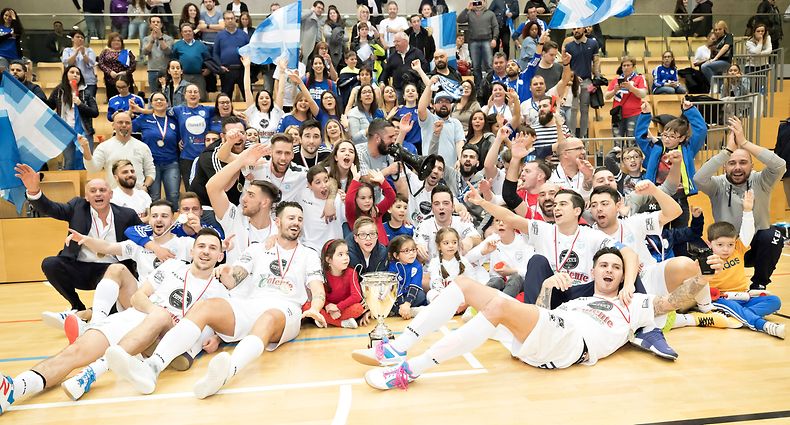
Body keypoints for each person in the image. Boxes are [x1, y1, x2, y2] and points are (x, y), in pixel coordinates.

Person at [353, 248, 721, 390]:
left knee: (497, 307)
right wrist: (546, 285)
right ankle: (397, 348)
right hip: (544, 336)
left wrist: (704, 278)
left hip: (572, 346)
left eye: (616, 267)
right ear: (593, 271)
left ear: (624, 274)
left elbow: (677, 298)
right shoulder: (580, 296)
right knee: (464, 284)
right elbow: (540, 312)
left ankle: (409, 369)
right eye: (603, 265)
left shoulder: (634, 302)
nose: (609, 270)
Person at [106, 202, 326, 399]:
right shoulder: (257, 248)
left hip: (286, 308)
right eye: (291, 218)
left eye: (299, 219)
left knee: (267, 318)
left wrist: (315, 308)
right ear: (277, 222)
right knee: (205, 307)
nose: (296, 222)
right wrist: (226, 271)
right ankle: (152, 368)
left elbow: (317, 288)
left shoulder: (308, 254)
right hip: (249, 304)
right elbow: (233, 279)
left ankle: (227, 372)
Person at [0, 229, 229, 411]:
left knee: (159, 315)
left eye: (212, 248)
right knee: (75, 351)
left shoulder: (221, 291)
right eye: (201, 246)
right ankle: (15, 389)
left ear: (220, 256)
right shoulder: (172, 266)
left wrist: (216, 339)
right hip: (136, 317)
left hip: (167, 341)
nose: (205, 252)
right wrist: (152, 311)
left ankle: (93, 372)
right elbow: (138, 296)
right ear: (192, 251)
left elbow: (215, 330)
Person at [14, 164, 143, 324]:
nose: (98, 194)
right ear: (86, 197)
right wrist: (34, 191)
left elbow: (143, 238)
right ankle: (77, 307)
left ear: (111, 194)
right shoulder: (77, 207)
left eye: (102, 190)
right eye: (93, 191)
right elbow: (51, 208)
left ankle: (87, 315)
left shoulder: (127, 215)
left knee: (123, 309)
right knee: (50, 264)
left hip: (111, 270)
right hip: (80, 268)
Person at [61, 200, 197, 342]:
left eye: (164, 216)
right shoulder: (140, 244)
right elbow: (107, 247)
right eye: (155, 215)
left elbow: (214, 253)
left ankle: (95, 323)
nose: (159, 219)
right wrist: (85, 239)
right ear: (149, 219)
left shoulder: (186, 243)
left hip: (169, 307)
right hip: (139, 300)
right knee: (116, 269)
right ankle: (96, 323)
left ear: (173, 219)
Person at [694, 117, 787, 290]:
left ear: (751, 166)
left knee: (773, 235)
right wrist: (728, 150)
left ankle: (759, 284)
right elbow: (698, 179)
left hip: (755, 246)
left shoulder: (762, 180)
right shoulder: (717, 185)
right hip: (727, 248)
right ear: (724, 167)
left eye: (743, 162)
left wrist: (744, 142)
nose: (737, 167)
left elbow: (780, 165)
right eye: (732, 163)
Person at [705, 195, 785, 339]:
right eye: (720, 245)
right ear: (710, 244)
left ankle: (737, 317)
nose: (726, 249)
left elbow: (747, 232)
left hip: (743, 296)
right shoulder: (708, 260)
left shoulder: (738, 250)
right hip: (721, 299)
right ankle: (762, 325)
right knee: (732, 306)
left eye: (730, 244)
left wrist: (747, 210)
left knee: (774, 301)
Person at [635, 99, 707, 225]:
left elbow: (701, 131)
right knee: (658, 230)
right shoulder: (656, 149)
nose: (667, 139)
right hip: (658, 195)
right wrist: (645, 115)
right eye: (664, 135)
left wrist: (690, 111)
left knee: (680, 230)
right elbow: (640, 137)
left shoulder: (688, 149)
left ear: (682, 138)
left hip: (679, 197)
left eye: (672, 137)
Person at [82, 112, 156, 191]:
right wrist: (86, 148)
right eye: (120, 122)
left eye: (127, 123)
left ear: (131, 125)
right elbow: (92, 169)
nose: (124, 125)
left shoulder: (142, 147)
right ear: (113, 125)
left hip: (138, 195)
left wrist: (145, 186)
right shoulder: (104, 147)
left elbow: (151, 171)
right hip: (114, 197)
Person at [46, 65, 99, 170]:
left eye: (78, 73)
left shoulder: (86, 93)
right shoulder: (59, 91)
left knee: (87, 162)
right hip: (66, 132)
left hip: (84, 132)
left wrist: (80, 104)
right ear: (66, 75)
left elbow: (95, 112)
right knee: (69, 162)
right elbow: (48, 106)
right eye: (72, 72)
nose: (75, 75)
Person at [466, 218, 533, 297]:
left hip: (521, 283)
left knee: (515, 278)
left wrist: (511, 271)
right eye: (497, 220)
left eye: (504, 220)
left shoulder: (525, 242)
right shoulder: (493, 240)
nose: (501, 223)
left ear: (514, 224)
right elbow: (466, 259)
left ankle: (503, 305)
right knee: (496, 281)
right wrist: (483, 252)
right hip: (497, 280)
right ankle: (480, 305)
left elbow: (531, 272)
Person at [414, 186, 481, 262]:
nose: (441, 207)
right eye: (437, 204)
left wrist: (470, 240)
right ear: (432, 208)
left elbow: (478, 240)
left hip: (459, 267)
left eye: (445, 203)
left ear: (453, 207)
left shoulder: (462, 220)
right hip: (432, 270)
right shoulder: (424, 225)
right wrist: (418, 248)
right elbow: (418, 247)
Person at [192, 117, 248, 207]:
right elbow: (224, 187)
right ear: (222, 136)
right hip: (205, 206)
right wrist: (242, 162)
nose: (237, 137)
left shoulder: (248, 146)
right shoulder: (210, 155)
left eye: (241, 133)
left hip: (234, 204)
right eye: (232, 134)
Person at [415, 67, 466, 167]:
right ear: (433, 105)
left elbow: (459, 143)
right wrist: (430, 85)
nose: (444, 104)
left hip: (450, 170)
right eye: (439, 101)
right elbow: (421, 108)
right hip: (430, 169)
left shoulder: (456, 123)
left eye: (447, 101)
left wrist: (460, 159)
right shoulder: (429, 119)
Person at [314, 239, 365, 328]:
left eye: (347, 254)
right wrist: (329, 308)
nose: (346, 257)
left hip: (344, 307)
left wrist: (338, 307)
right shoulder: (322, 275)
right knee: (307, 306)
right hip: (328, 308)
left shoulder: (351, 273)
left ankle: (326, 320)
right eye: (340, 254)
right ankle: (342, 323)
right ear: (328, 259)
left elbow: (356, 296)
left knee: (358, 308)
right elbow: (320, 295)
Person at [564, 27, 601, 138]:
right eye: (574, 29)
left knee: (585, 110)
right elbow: (566, 65)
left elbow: (596, 62)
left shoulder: (593, 43)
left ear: (584, 29)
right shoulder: (569, 46)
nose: (576, 30)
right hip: (573, 82)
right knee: (573, 109)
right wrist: (572, 77)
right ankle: (572, 135)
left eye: (578, 28)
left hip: (587, 81)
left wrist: (597, 79)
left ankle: (584, 136)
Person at [298, 165, 344, 252]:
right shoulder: (302, 195)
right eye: (318, 182)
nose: (324, 185)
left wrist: (331, 202)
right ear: (309, 185)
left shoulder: (338, 199)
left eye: (326, 181)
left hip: (333, 249)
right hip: (310, 247)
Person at [346, 168, 397, 245]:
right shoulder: (353, 215)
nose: (367, 201)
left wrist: (382, 182)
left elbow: (391, 197)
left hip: (384, 251)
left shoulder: (377, 211)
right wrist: (355, 180)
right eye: (363, 198)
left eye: (370, 197)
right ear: (355, 199)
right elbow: (349, 201)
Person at [426, 228, 475, 303]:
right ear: (439, 246)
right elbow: (434, 282)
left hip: (460, 294)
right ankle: (444, 308)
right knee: (431, 293)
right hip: (443, 296)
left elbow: (472, 280)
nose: (451, 246)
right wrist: (445, 295)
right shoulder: (435, 262)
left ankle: (460, 309)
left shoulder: (463, 261)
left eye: (454, 242)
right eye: (446, 243)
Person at [604, 56, 647, 138]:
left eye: (628, 65)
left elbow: (643, 94)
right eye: (624, 66)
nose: (626, 68)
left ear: (634, 67)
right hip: (618, 114)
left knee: (632, 139)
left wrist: (631, 88)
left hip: (634, 114)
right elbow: (606, 96)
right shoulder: (616, 80)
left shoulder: (639, 78)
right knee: (617, 140)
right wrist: (614, 90)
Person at [458, 0, 498, 85]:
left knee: (489, 65)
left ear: (485, 2)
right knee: (476, 66)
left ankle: (490, 85)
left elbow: (495, 27)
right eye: (476, 2)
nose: (478, 4)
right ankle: (478, 88)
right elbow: (459, 20)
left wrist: (494, 39)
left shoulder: (490, 13)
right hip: (473, 42)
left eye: (480, 1)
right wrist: (467, 8)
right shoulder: (469, 13)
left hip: (487, 41)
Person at [378, 32, 429, 98]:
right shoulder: (392, 56)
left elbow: (425, 67)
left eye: (397, 41)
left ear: (406, 41)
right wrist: (382, 82)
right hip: (398, 90)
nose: (395, 44)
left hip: (414, 89)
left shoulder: (417, 52)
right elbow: (386, 71)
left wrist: (415, 73)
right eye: (394, 41)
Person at [388, 235, 427, 320]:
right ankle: (406, 311)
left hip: (411, 296)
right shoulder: (393, 267)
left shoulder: (417, 266)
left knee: (421, 295)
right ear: (396, 255)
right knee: (388, 298)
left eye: (413, 249)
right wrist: (402, 304)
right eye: (406, 251)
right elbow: (396, 288)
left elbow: (414, 286)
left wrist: (407, 304)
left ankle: (403, 311)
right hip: (398, 297)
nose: (411, 253)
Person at [213, 11, 250, 100]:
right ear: (224, 21)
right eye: (227, 19)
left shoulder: (243, 35)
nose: (230, 20)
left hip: (242, 70)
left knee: (248, 95)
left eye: (231, 18)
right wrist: (220, 66)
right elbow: (215, 53)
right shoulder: (219, 36)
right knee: (225, 98)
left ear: (235, 19)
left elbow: (249, 51)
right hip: (226, 70)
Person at [172, 23, 210, 100]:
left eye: (189, 31)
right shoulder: (177, 45)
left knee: (201, 97)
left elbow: (208, 58)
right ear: (182, 33)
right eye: (185, 31)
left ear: (193, 32)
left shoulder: (200, 45)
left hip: (198, 76)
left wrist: (208, 69)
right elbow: (173, 60)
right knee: (183, 98)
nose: (188, 33)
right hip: (183, 76)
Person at [97, 33, 137, 100]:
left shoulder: (127, 52)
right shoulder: (105, 52)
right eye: (114, 40)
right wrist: (110, 72)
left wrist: (125, 72)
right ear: (110, 42)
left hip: (125, 80)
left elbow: (133, 65)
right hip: (110, 81)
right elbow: (101, 64)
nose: (116, 42)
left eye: (118, 40)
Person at [61, 30, 98, 99]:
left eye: (82, 37)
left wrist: (84, 54)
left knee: (89, 102)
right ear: (72, 39)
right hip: (72, 81)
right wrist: (76, 53)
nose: (80, 39)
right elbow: (67, 63)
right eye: (78, 37)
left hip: (89, 82)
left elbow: (91, 63)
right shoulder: (67, 50)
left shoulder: (89, 50)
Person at [141, 16, 174, 93]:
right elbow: (145, 52)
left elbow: (168, 52)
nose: (155, 23)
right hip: (152, 70)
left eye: (158, 22)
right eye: (153, 22)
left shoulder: (169, 38)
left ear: (161, 25)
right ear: (150, 25)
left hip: (165, 70)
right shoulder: (146, 39)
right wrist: (152, 40)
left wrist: (160, 38)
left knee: (166, 93)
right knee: (154, 94)